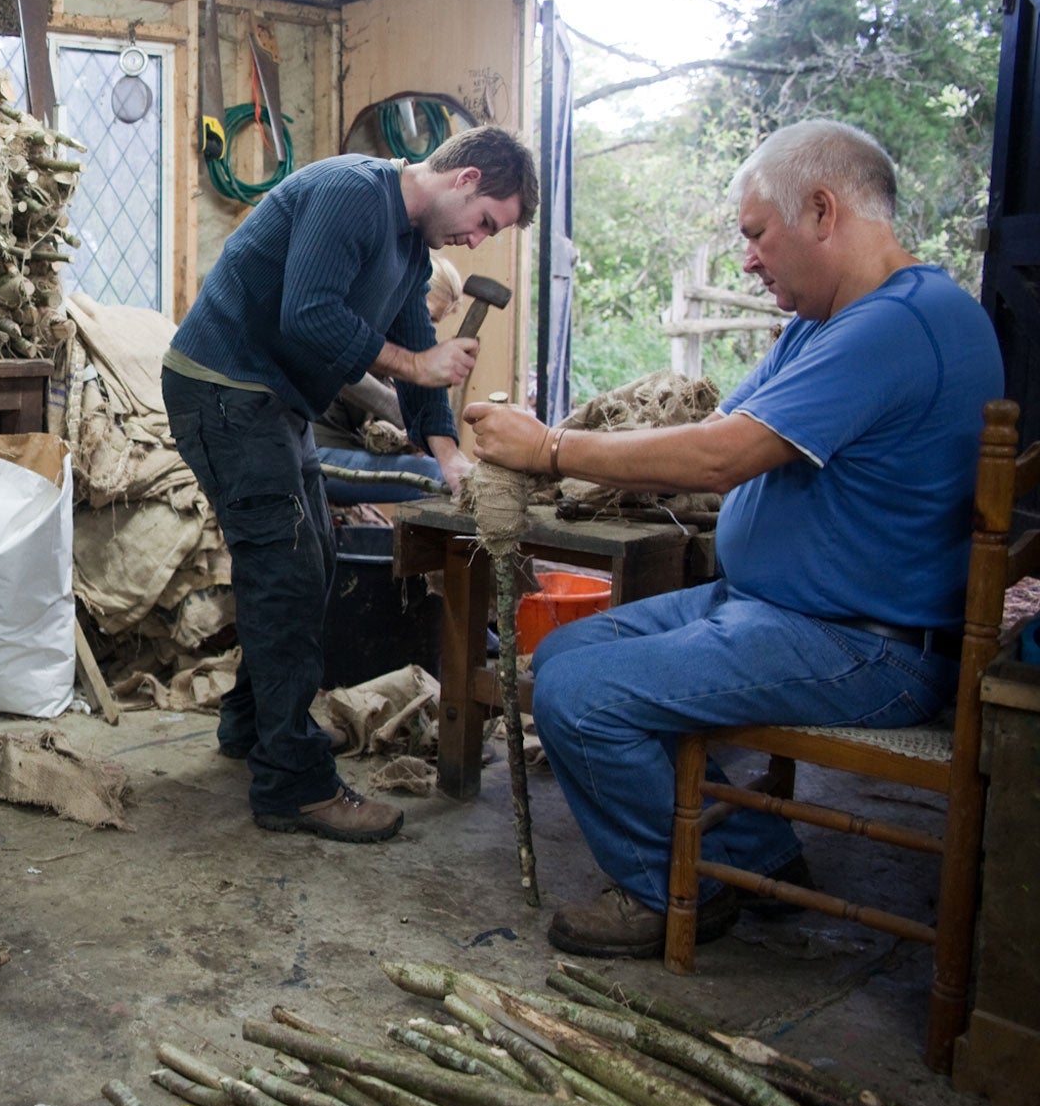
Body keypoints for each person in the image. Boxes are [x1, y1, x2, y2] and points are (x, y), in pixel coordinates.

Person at [465, 120, 1003, 959]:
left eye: (756, 234)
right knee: (563, 661)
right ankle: (753, 850)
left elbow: (723, 458)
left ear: (822, 210)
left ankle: (680, 888)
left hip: (864, 644)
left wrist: (548, 449)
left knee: (583, 696)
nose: (748, 258)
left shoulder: (900, 325)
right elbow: (721, 423)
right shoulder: (824, 322)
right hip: (780, 609)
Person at [163, 126, 539, 844]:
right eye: (487, 220)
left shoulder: (408, 246)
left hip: (274, 401)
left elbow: (419, 358)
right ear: (464, 181)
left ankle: (256, 728)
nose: (479, 239)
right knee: (287, 574)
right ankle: (292, 786)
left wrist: (449, 455)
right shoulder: (350, 193)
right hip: (223, 388)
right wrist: (418, 367)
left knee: (312, 564)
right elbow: (307, 317)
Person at [315, 257, 466, 507]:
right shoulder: (352, 329)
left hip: (342, 450)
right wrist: (421, 425)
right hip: (311, 456)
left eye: (433, 322)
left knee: (444, 470)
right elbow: (349, 379)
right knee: (439, 477)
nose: (422, 328)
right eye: (423, 316)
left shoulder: (388, 348)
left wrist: (408, 439)